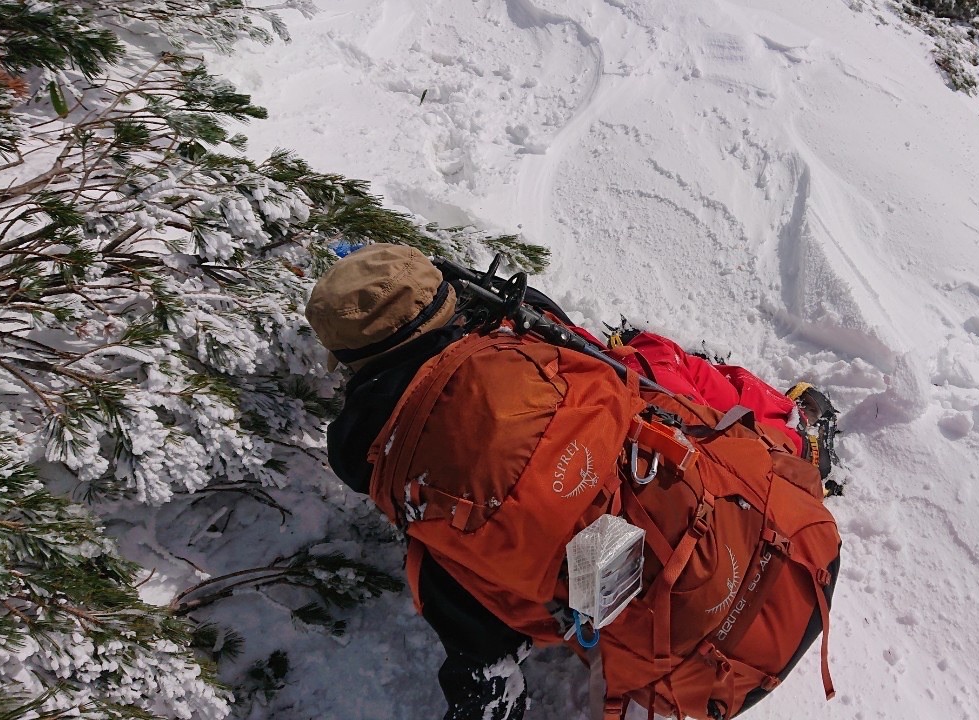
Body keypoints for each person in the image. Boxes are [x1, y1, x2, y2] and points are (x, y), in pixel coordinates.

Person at [305, 243, 838, 720]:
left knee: (438, 547)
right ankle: (794, 434)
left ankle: (486, 670)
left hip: (686, 671)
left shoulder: (374, 458)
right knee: (652, 363)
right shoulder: (521, 342)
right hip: (800, 548)